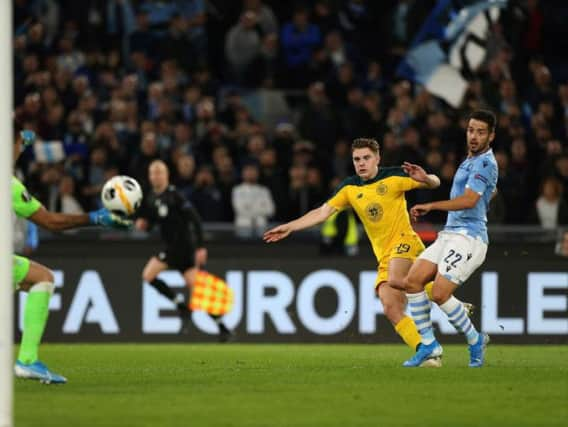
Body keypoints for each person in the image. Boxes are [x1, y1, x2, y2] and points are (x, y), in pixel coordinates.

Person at [264, 138, 467, 365]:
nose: (361, 163)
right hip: (384, 256)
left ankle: (444, 297)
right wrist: (290, 226)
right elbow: (321, 213)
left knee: (396, 278)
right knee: (390, 306)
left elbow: (436, 182)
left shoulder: (394, 176)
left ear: (377, 158)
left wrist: (427, 179)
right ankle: (428, 350)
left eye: (366, 158)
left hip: (405, 243)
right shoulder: (350, 188)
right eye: (357, 159)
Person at [13, 130, 131, 384]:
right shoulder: (9, 186)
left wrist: (24, 137)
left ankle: (28, 360)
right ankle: (27, 361)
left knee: (41, 278)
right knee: (42, 279)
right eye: (17, 144)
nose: (20, 148)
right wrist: (96, 218)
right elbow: (51, 222)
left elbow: (19, 140)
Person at [402, 110, 499, 368]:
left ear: (491, 135)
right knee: (412, 281)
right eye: (471, 130)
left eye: (481, 132)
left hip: (469, 238)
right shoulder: (469, 161)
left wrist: (432, 205)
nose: (474, 136)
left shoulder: (485, 163)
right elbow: (484, 192)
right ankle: (429, 345)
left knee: (441, 293)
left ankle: (475, 339)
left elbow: (468, 200)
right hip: (451, 234)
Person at [135, 160, 232, 341]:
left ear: (166, 175)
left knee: (150, 275)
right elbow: (153, 222)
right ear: (149, 176)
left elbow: (195, 220)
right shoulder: (151, 198)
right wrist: (144, 225)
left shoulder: (175, 196)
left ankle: (183, 307)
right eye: (153, 173)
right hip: (170, 248)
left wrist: (201, 246)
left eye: (159, 173)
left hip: (184, 248)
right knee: (192, 289)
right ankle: (221, 327)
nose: (156, 176)